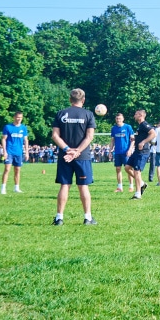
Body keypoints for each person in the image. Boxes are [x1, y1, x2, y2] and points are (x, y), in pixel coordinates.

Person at [50, 89, 97, 225]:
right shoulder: (88, 114)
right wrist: (77, 152)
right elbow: (89, 137)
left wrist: (67, 150)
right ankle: (87, 218)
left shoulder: (61, 114)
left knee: (65, 185)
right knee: (83, 187)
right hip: (82, 157)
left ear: (70, 100)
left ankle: (59, 218)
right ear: (83, 100)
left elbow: (55, 136)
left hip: (65, 156)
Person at [0, 111, 29, 195]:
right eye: (17, 117)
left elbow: (26, 140)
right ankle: (3, 187)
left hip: (19, 152)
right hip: (9, 151)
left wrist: (26, 152)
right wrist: (4, 151)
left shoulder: (23, 128)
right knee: (7, 169)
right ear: (14, 117)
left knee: (17, 170)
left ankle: (16, 187)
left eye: (20, 117)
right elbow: (3, 139)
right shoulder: (8, 127)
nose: (19, 119)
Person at [128, 109, 155, 199]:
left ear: (140, 115)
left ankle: (138, 193)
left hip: (143, 152)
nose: (134, 116)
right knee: (127, 167)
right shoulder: (140, 126)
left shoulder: (144, 124)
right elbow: (142, 136)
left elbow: (153, 133)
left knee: (137, 171)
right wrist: (135, 139)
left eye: (135, 114)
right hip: (136, 151)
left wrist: (143, 142)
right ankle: (142, 183)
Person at [109, 113, 135, 192]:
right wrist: (110, 151)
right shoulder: (114, 128)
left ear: (123, 119)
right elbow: (113, 140)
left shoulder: (128, 127)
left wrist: (130, 149)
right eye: (117, 118)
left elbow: (132, 140)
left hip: (126, 152)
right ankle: (119, 187)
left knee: (128, 169)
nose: (118, 120)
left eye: (120, 118)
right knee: (118, 168)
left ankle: (131, 185)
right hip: (117, 152)